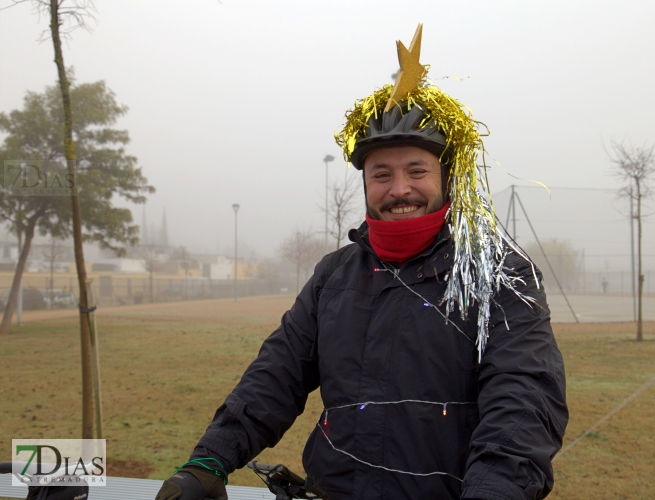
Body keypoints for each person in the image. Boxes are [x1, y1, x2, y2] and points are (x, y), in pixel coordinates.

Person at [156, 25, 567, 500]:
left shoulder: (500, 275)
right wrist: (210, 460)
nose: (399, 190)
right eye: (381, 174)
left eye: (416, 170)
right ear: (366, 183)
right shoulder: (334, 276)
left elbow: (523, 403)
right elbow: (276, 375)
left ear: (446, 178)